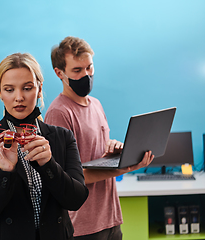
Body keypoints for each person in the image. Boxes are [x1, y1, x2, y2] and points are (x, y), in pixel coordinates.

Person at [0, 53, 89, 240]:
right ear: (0, 92)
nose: (19, 97)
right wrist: (5, 172)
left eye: (27, 88)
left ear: (39, 89)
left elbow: (76, 200)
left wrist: (49, 164)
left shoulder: (62, 137)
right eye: (9, 89)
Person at [44, 36, 154, 240]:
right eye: (77, 70)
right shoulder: (59, 113)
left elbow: (94, 154)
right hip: (82, 227)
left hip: (111, 219)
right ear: (59, 73)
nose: (86, 75)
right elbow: (67, 179)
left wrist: (113, 151)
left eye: (89, 67)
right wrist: (124, 168)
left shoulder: (96, 104)